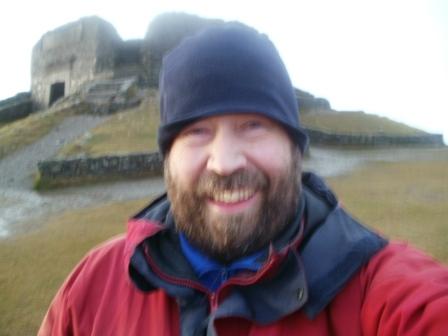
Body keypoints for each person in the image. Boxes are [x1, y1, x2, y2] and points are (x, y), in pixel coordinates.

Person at [39, 22, 448, 336]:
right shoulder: (92, 286)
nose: (225, 162)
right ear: (167, 157)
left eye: (253, 124)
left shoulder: (376, 287)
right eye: (195, 131)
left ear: (294, 146)